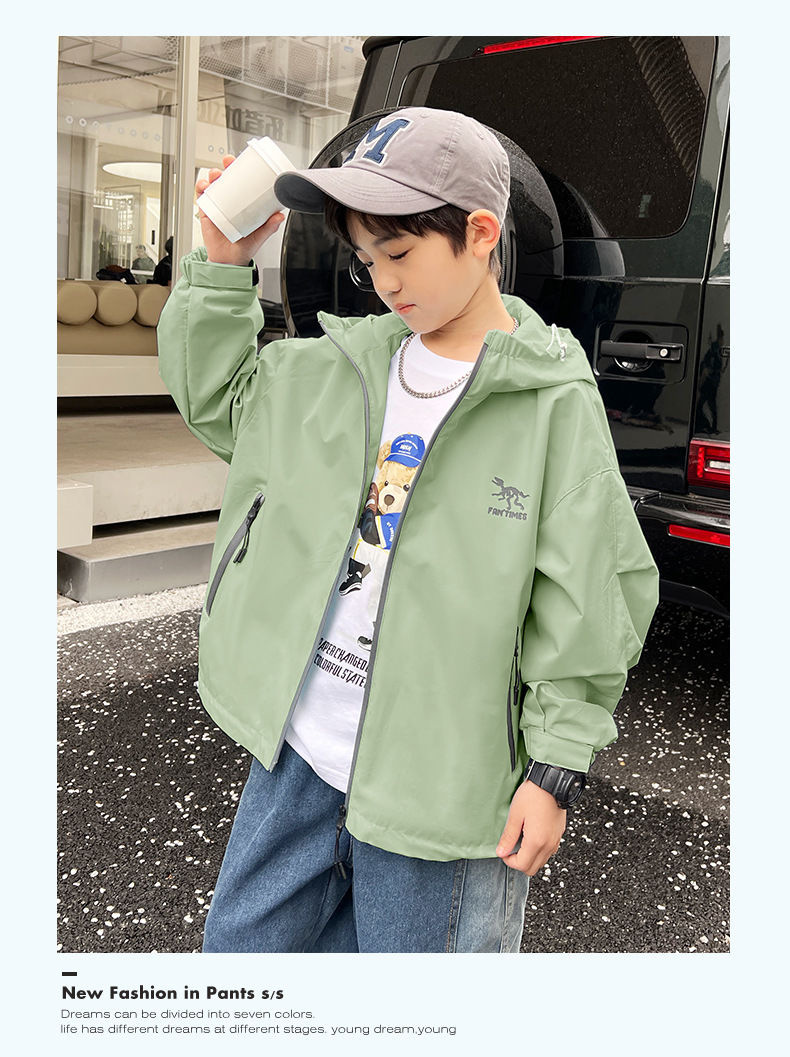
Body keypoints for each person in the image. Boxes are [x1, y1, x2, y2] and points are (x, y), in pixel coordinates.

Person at [157, 107, 659, 954]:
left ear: (480, 233)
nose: (382, 281)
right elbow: (223, 401)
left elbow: (588, 594)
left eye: (398, 253)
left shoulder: (550, 400)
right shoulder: (343, 364)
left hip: (444, 784)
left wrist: (553, 769)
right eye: (366, 259)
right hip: (300, 751)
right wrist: (222, 261)